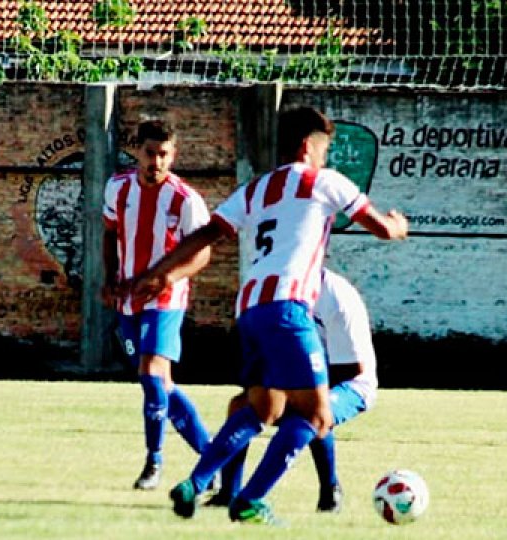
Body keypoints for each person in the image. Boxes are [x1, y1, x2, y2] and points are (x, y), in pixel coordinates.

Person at [132, 106, 407, 524]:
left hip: (250, 310)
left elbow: (207, 233)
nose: (325, 158)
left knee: (261, 408)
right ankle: (250, 500)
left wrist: (160, 272)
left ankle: (195, 482)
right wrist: (398, 225)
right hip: (288, 309)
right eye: (324, 149)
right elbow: (381, 229)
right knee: (316, 415)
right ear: (307, 146)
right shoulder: (324, 181)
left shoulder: (256, 189)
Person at [101, 119, 215, 490]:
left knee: (151, 374)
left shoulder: (185, 199)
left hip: (166, 299)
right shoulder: (118, 187)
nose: (156, 162)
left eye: (164, 155)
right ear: (137, 150)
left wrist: (168, 278)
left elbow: (203, 253)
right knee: (160, 385)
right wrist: (109, 278)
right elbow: (109, 233)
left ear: (173, 155)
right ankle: (213, 459)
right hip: (129, 301)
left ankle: (154, 463)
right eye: (150, 153)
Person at [207, 268, 378, 513]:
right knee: (240, 406)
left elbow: (353, 367)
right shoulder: (272, 293)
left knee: (309, 412)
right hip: (294, 382)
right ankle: (228, 492)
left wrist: (301, 391)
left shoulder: (337, 295)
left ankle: (328, 489)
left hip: (351, 384)